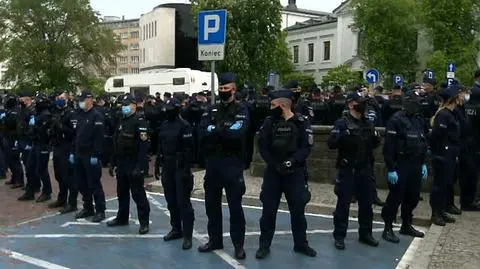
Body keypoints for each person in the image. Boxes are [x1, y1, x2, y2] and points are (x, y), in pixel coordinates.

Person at [255, 89, 316, 259]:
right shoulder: (269, 122)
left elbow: (306, 147)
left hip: (294, 173)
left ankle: (301, 244)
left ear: (283, 105)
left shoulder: (301, 122)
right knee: (268, 211)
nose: (270, 107)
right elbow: (262, 146)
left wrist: (292, 161)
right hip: (273, 173)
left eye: (273, 105)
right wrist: (274, 164)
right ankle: (264, 245)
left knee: (298, 211)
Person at [197, 72, 249, 260]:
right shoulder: (212, 109)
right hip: (213, 164)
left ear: (234, 89)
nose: (223, 92)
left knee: (235, 207)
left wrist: (216, 130)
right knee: (212, 205)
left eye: (226, 89)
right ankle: (215, 240)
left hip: (232, 164)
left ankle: (238, 245)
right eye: (220, 89)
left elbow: (239, 133)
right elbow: (202, 132)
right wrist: (222, 130)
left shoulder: (241, 110)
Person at [327, 92, 381, 250]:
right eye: (359, 102)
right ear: (351, 104)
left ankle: (365, 233)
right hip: (347, 168)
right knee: (343, 205)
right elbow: (331, 143)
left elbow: (375, 142)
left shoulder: (367, 123)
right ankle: (339, 235)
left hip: (364, 168)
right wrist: (343, 136)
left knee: (366, 204)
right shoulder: (342, 123)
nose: (363, 105)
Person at [381, 91, 429, 243]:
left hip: (415, 163)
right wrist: (391, 168)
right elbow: (388, 146)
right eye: (415, 101)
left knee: (413, 196)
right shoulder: (396, 120)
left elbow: (423, 141)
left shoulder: (419, 119)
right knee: (396, 197)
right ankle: (387, 227)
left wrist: (423, 163)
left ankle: (406, 224)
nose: (418, 104)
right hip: (401, 163)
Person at [107, 94, 150, 234]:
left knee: (138, 194)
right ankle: (122, 218)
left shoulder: (139, 121)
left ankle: (144, 223)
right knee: (122, 193)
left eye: (127, 104)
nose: (124, 107)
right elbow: (116, 143)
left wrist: (140, 167)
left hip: (134, 163)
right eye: (123, 104)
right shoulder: (121, 120)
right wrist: (112, 163)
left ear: (134, 105)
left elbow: (143, 148)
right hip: (122, 162)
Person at [155, 98, 195, 249]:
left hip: (180, 167)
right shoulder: (164, 125)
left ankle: (188, 235)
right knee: (171, 201)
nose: (167, 111)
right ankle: (176, 229)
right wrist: (157, 164)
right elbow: (160, 146)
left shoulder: (184, 126)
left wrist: (186, 169)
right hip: (167, 166)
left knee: (183, 202)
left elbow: (189, 149)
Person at [429, 84, 464, 226]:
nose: (462, 97)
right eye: (459, 95)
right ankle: (435, 213)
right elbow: (437, 136)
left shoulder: (453, 113)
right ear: (453, 98)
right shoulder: (443, 115)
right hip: (442, 155)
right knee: (439, 185)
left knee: (446, 184)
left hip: (451, 154)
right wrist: (440, 153)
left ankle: (442, 209)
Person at [73, 91, 106, 222]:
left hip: (90, 154)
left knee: (94, 183)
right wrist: (73, 152)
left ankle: (100, 210)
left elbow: (99, 138)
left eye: (83, 100)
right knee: (81, 183)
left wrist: (96, 154)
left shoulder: (97, 115)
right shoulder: (79, 114)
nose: (81, 102)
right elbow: (76, 136)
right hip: (79, 153)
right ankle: (88, 207)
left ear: (90, 99)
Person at [50, 90, 78, 214]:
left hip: (67, 147)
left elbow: (74, 133)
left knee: (69, 177)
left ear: (67, 99)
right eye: (58, 98)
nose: (59, 100)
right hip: (57, 146)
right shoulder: (57, 112)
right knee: (59, 175)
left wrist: (61, 126)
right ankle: (62, 199)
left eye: (61, 98)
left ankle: (72, 203)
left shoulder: (71, 113)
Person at [29, 93, 54, 203]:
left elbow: (43, 133)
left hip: (42, 144)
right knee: (31, 166)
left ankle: (47, 192)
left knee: (41, 169)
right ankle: (33, 188)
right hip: (36, 144)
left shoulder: (46, 115)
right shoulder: (38, 114)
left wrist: (35, 127)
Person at [17, 90, 39, 200]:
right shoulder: (24, 109)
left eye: (21, 98)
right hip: (23, 139)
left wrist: (29, 142)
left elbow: (32, 128)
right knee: (28, 165)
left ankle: (34, 187)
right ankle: (32, 186)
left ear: (27, 98)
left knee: (31, 166)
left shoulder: (32, 110)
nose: (19, 100)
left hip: (29, 141)